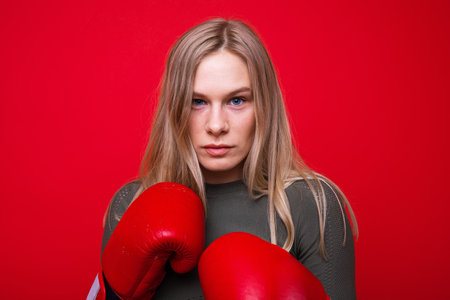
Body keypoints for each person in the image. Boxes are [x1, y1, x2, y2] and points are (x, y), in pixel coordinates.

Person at [89, 18, 359, 300]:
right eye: (198, 101)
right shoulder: (131, 204)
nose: (216, 125)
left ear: (264, 107)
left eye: (237, 100)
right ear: (175, 108)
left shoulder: (313, 205)